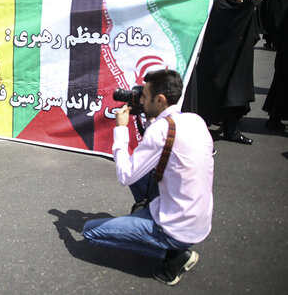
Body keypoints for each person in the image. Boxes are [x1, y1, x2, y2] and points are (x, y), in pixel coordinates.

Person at [83, 69, 214, 286]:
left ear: (160, 99)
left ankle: (174, 256)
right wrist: (149, 118)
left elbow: (125, 174)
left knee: (91, 232)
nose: (140, 100)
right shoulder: (195, 120)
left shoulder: (160, 131)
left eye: (144, 96)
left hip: (177, 228)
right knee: (141, 173)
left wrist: (121, 130)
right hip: (198, 219)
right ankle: (155, 226)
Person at [196, 0, 256, 144]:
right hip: (216, 62)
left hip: (235, 61)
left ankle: (232, 131)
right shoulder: (221, 6)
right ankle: (201, 131)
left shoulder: (241, 7)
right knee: (211, 96)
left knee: (234, 95)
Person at [260, 0, 288, 131]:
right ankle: (275, 116)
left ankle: (275, 116)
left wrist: (273, 38)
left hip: (281, 44)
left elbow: (264, 17)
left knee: (280, 81)